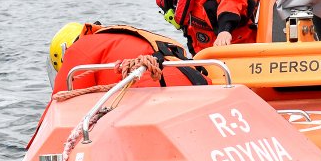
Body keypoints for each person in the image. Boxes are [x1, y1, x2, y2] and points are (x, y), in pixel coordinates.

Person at [46, 21, 208, 94]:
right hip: (198, 86)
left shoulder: (80, 50)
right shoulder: (121, 37)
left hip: (155, 93)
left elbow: (63, 103)